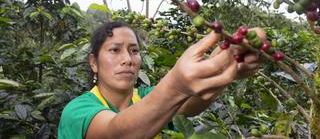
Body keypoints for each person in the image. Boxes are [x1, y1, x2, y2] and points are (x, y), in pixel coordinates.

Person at [58, 21, 266, 138]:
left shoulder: (147, 97)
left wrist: (230, 60)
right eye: (114, 50)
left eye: (134, 51)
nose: (127, 60)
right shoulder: (77, 111)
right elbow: (117, 133)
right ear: (93, 62)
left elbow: (191, 104)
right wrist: (176, 85)